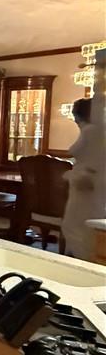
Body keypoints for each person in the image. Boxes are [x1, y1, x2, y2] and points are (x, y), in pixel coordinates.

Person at [61, 97, 105, 261]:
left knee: (76, 224)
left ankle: (85, 258)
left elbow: (78, 151)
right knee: (76, 223)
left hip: (85, 183)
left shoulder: (91, 131)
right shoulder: (96, 131)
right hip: (86, 182)